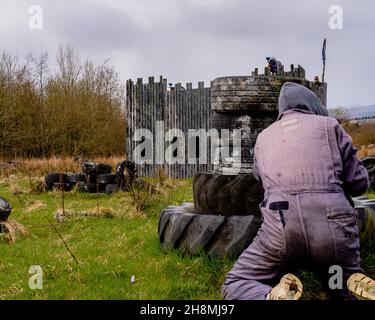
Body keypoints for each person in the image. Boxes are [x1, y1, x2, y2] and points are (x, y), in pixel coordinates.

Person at [221, 82, 373, 300]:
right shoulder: (330, 126)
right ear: (313, 104)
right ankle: (345, 284)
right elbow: (359, 185)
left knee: (236, 282)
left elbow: (260, 178)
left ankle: (271, 295)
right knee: (336, 272)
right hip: (332, 231)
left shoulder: (263, 138)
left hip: (281, 231)